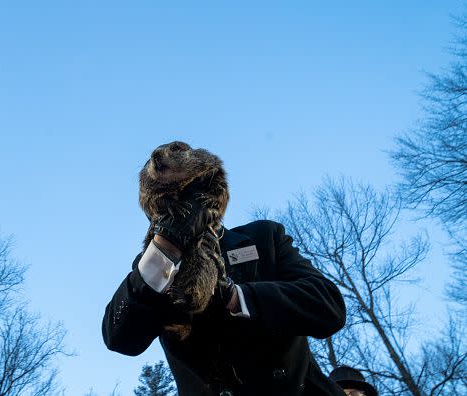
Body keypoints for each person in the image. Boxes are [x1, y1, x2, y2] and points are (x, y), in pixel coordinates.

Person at [102, 143, 347, 395]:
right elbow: (119, 338)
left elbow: (328, 306)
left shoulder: (263, 238)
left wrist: (236, 297)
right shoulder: (152, 266)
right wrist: (166, 245)